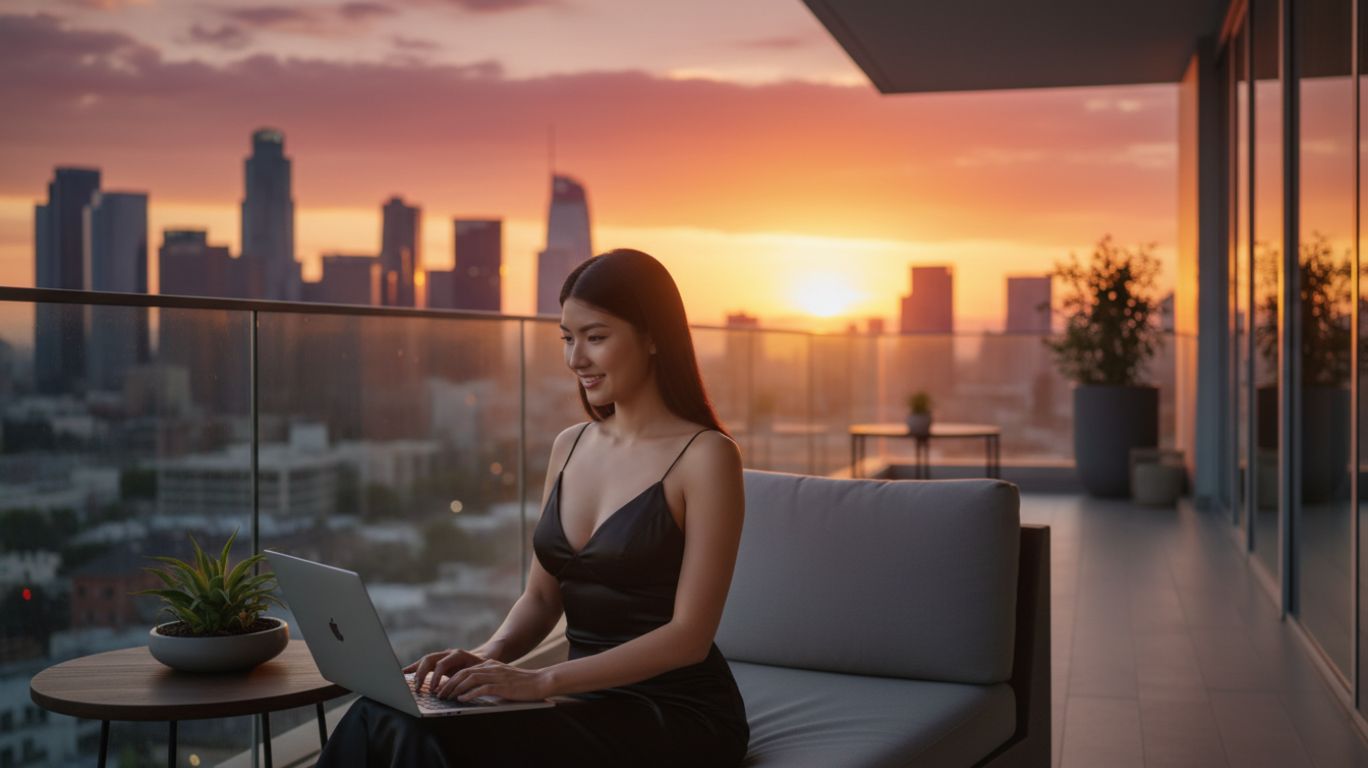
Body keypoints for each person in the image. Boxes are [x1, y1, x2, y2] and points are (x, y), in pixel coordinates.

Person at [316, 249, 750, 767]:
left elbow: (689, 638)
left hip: (676, 714)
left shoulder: (707, 457)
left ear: (654, 336)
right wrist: (485, 655)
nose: (575, 359)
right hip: (578, 699)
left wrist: (539, 679)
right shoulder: (570, 445)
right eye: (568, 339)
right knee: (380, 712)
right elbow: (542, 599)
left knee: (430, 742)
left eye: (596, 337)